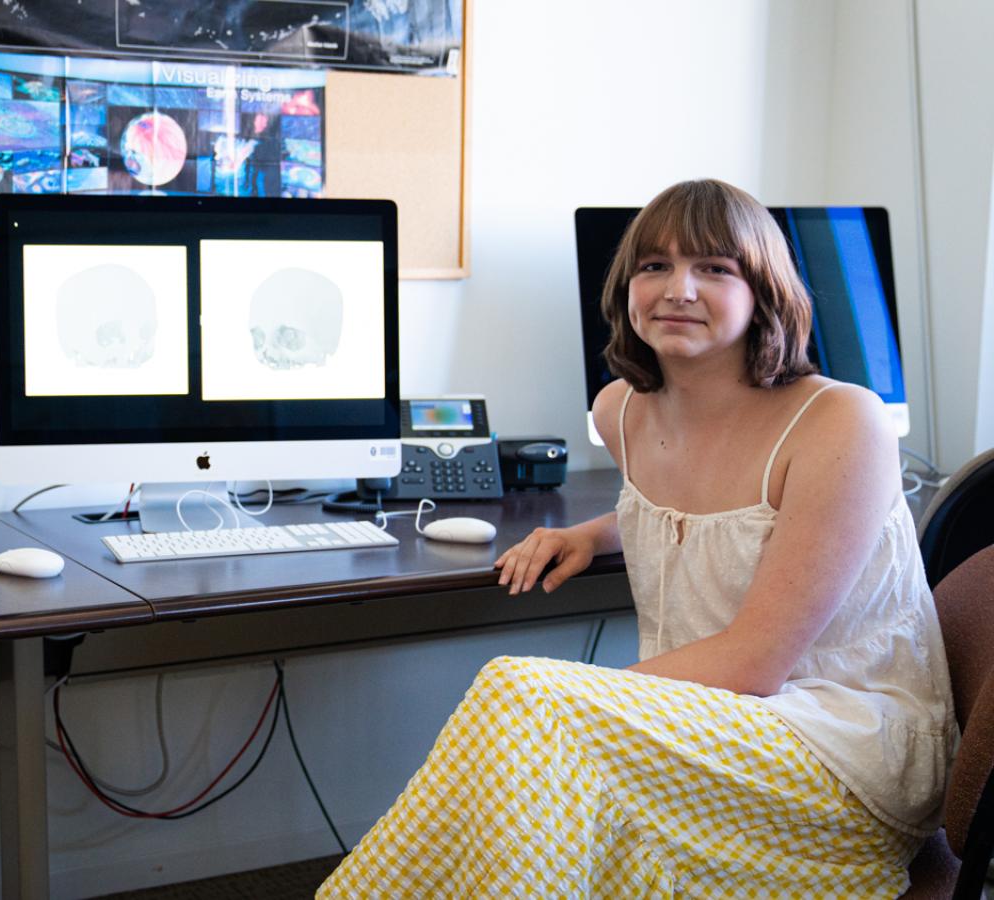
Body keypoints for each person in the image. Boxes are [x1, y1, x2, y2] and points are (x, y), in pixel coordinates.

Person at [319, 179, 956, 897]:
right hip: (713, 737)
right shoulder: (619, 410)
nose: (678, 288)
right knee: (524, 740)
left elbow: (756, 662)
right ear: (627, 287)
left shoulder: (842, 423)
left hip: (845, 749)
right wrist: (596, 532)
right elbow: (705, 513)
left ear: (766, 291)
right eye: (654, 266)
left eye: (715, 268)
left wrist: (560, 709)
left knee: (521, 701)